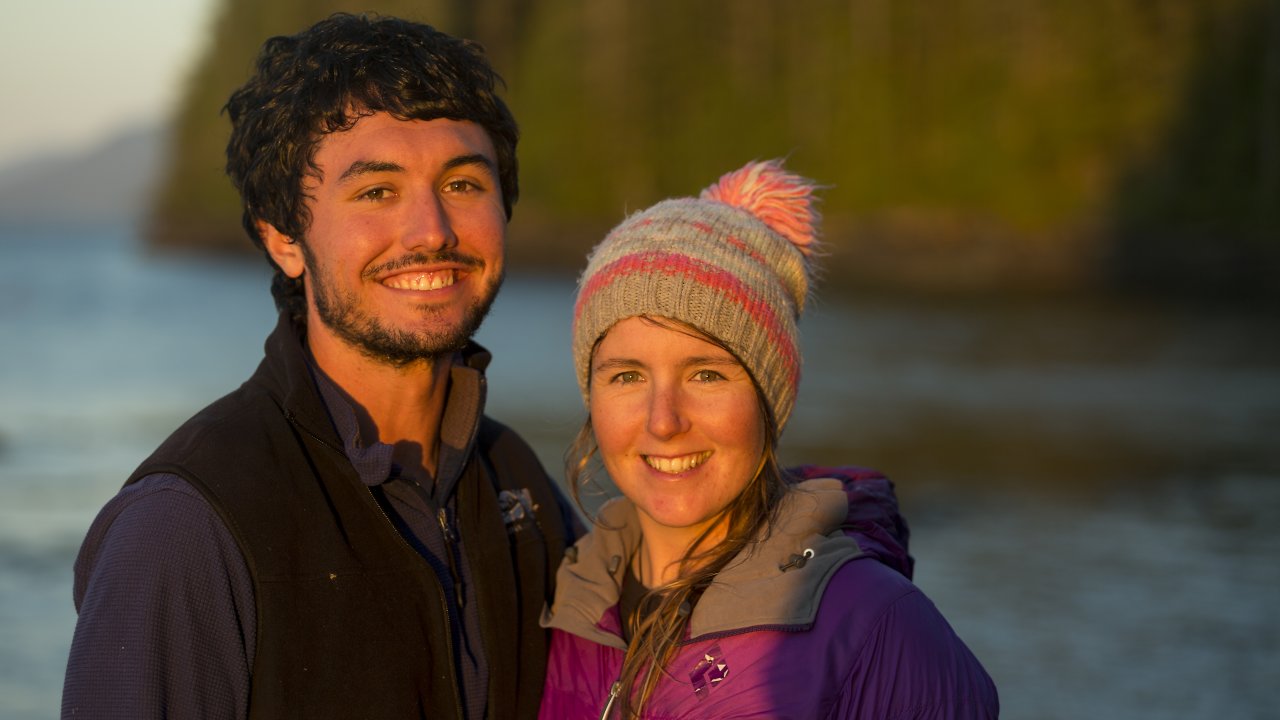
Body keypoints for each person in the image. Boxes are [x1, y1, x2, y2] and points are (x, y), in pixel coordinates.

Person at [62, 13, 579, 720]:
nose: (431, 230)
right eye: (376, 191)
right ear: (284, 239)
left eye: (463, 183)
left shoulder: (517, 484)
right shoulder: (187, 527)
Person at [538, 159, 999, 718]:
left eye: (706, 373)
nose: (663, 420)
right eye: (627, 375)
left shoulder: (877, 627)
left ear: (769, 399)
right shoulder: (568, 601)